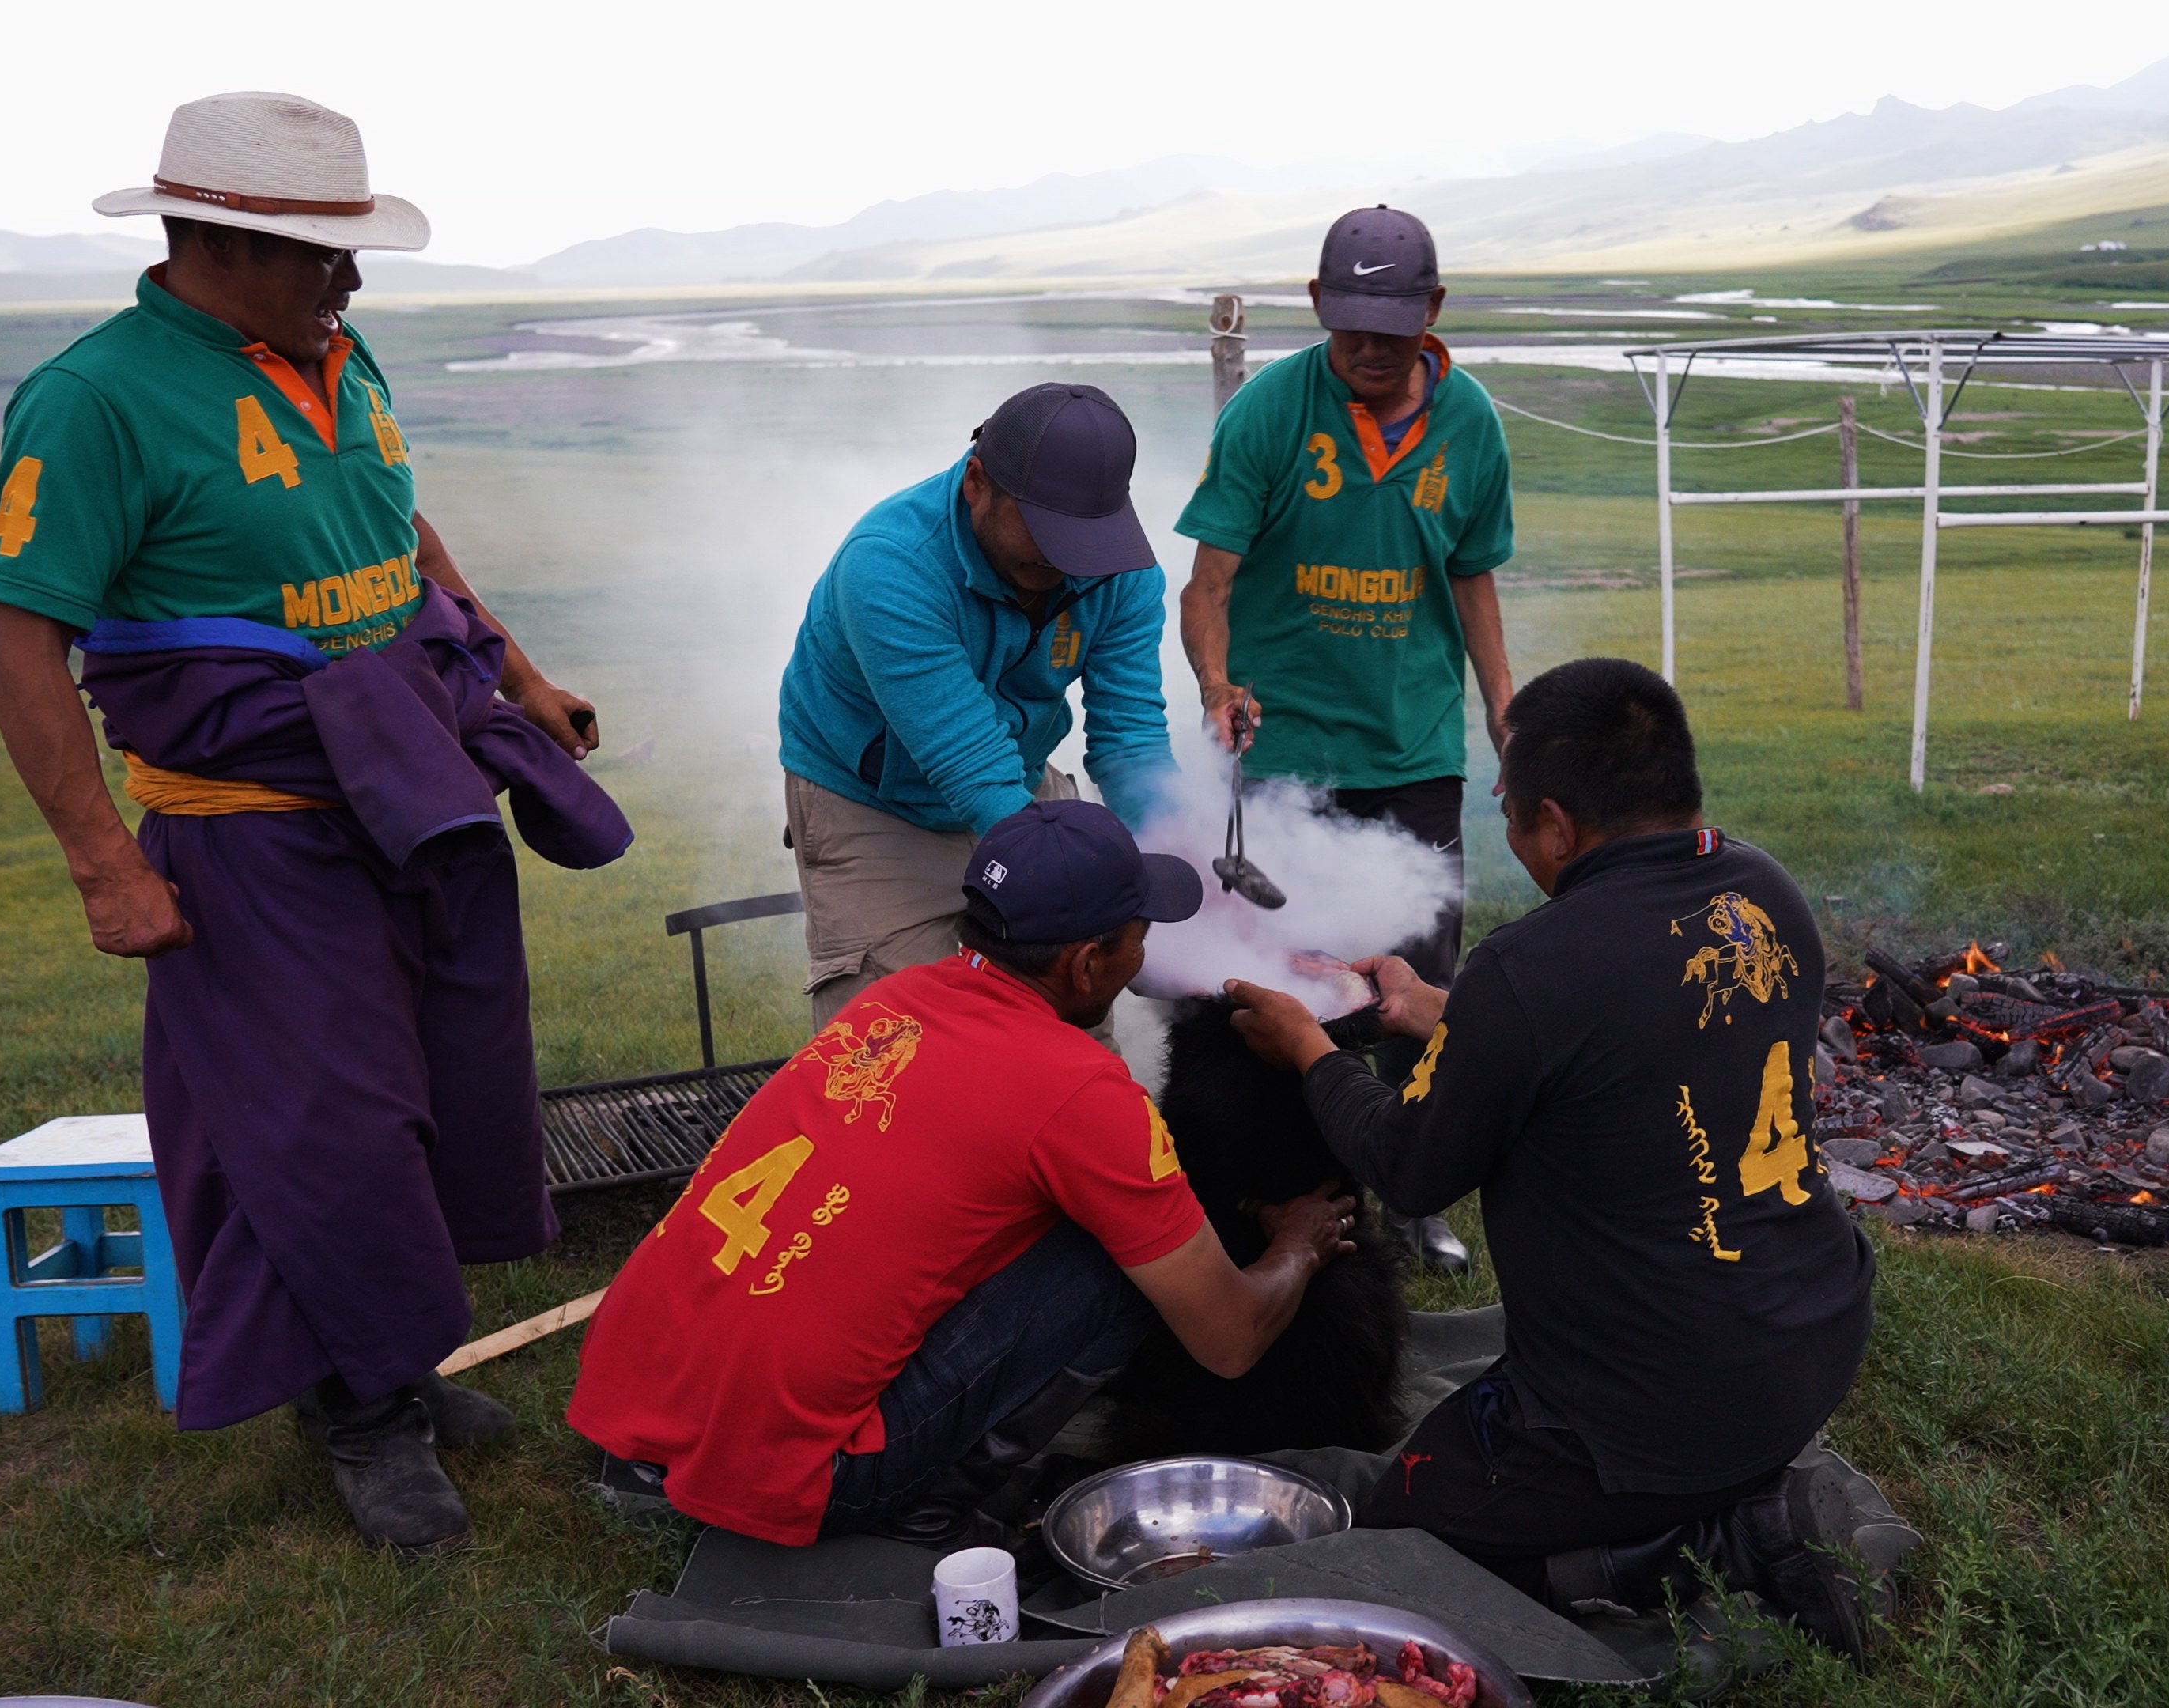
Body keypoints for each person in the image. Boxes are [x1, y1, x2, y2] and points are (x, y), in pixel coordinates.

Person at [0, 93, 629, 1558]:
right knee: (322, 1125)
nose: (352, 278)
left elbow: (400, 530)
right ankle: (359, 1416)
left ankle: (388, 1355)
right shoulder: (95, 400)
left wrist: (516, 672)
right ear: (214, 239)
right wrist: (102, 864)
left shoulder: (334, 349)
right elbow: (18, 645)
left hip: (405, 789)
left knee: (444, 1085)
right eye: (321, 253)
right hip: (251, 828)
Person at [1224, 658, 1911, 1655]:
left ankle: (1714, 1541)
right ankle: (1747, 1491)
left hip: (1644, 1415)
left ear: (1556, 823)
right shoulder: (1763, 892)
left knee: (1403, 1530)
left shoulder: (1529, 965)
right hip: (1811, 1340)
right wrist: (1431, 1010)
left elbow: (1411, 1168)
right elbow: (1624, 1038)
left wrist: (1310, 1050)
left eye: (1509, 815)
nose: (1510, 837)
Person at [569, 800, 1355, 1547]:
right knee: (1119, 1263)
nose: (1146, 955)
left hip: (629, 1400)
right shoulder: (1082, 1093)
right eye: (1139, 935)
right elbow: (1228, 1340)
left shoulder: (892, 1002)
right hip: (796, 1476)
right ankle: (925, 1505)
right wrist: (1298, 1246)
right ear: (1086, 963)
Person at [1177, 206, 1513, 1271]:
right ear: (1319, 306)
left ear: (1434, 312)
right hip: (1284, 761)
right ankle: (1277, 1181)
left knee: (1416, 981)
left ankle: (1416, 1189)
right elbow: (1209, 582)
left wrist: (1505, 711)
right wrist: (1217, 681)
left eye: (1394, 327)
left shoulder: (1473, 427)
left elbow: (1472, 578)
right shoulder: (1273, 412)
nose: (1370, 349)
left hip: (1414, 748)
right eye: (1351, 325)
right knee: (1278, 974)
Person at [779, 383, 1176, 1032]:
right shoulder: (888, 567)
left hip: (1016, 775)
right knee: (896, 1040)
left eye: (1085, 538)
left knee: (1063, 1008)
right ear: (976, 483)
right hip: (877, 799)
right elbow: (972, 767)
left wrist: (1172, 846)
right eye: (1048, 532)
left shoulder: (1120, 567)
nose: (1065, 560)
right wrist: (1082, 886)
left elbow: (1130, 738)